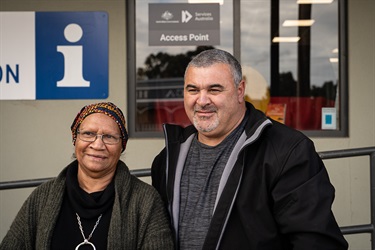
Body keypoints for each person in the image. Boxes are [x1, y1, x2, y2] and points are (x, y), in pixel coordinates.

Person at [151, 49, 348, 249]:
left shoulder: (288, 152)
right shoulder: (168, 159)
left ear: (239, 90)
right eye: (193, 90)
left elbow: (317, 243)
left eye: (214, 90)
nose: (202, 101)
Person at [1, 102, 174, 249]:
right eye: (88, 134)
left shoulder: (146, 201)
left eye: (109, 137)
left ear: (122, 146)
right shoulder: (41, 198)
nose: (98, 145)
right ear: (75, 139)